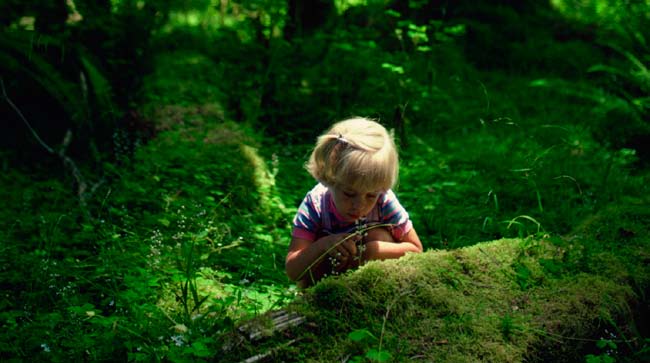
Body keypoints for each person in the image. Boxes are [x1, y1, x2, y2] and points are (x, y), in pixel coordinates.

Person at [285, 117, 423, 287]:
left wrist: (370, 251)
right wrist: (324, 245)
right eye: (349, 194)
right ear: (329, 179)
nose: (359, 205)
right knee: (316, 253)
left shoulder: (384, 200)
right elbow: (293, 271)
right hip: (323, 286)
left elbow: (416, 250)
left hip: (372, 285)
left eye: (371, 196)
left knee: (378, 235)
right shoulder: (316, 205)